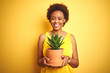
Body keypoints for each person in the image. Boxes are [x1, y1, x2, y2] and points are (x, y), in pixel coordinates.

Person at [37, 3, 79, 73]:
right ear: (50, 20)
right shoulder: (43, 37)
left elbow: (76, 64)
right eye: (53, 18)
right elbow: (38, 62)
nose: (56, 21)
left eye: (60, 19)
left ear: (64, 20)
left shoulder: (71, 37)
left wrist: (68, 59)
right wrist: (43, 61)